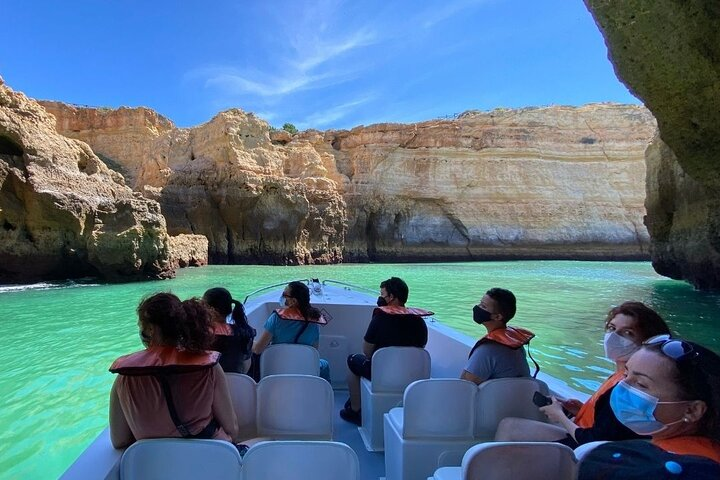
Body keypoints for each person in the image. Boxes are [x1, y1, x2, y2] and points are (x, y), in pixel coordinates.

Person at [495, 301, 671, 447]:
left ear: (647, 342)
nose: (613, 337)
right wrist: (579, 409)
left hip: (585, 446)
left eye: (627, 333)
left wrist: (560, 416)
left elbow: (597, 439)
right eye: (611, 328)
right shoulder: (620, 375)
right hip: (584, 432)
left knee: (508, 427)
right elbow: (611, 422)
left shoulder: (630, 386)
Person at [108, 293, 239, 448]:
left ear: (150, 330)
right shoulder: (209, 368)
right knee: (264, 439)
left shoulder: (125, 377)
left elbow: (119, 440)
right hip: (210, 456)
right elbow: (232, 430)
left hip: (157, 466)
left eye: (141, 326)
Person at [580, 335, 720, 465]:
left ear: (692, 411)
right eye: (626, 374)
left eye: (641, 384)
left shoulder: (656, 467)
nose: (621, 387)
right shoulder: (705, 453)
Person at [339, 276, 431, 425]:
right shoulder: (419, 321)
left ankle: (355, 410)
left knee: (352, 360)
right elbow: (421, 347)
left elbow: (367, 351)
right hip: (411, 374)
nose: (380, 298)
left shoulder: (380, 319)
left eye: (382, 295)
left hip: (382, 372)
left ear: (392, 297)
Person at [252, 281, 329, 380]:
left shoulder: (276, 318)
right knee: (324, 364)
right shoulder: (314, 323)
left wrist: (248, 341)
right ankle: (322, 393)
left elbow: (258, 349)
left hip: (277, 369)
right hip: (303, 371)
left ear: (293, 301)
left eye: (284, 294)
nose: (282, 297)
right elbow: (314, 353)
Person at [460, 287, 534, 385]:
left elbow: (464, 386)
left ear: (498, 317)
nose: (477, 307)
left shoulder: (487, 350)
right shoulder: (516, 345)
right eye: (480, 303)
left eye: (483, 306)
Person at [203, 287, 256, 374]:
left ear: (211, 310)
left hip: (211, 385)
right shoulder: (244, 333)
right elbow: (246, 364)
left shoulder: (202, 335)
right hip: (236, 383)